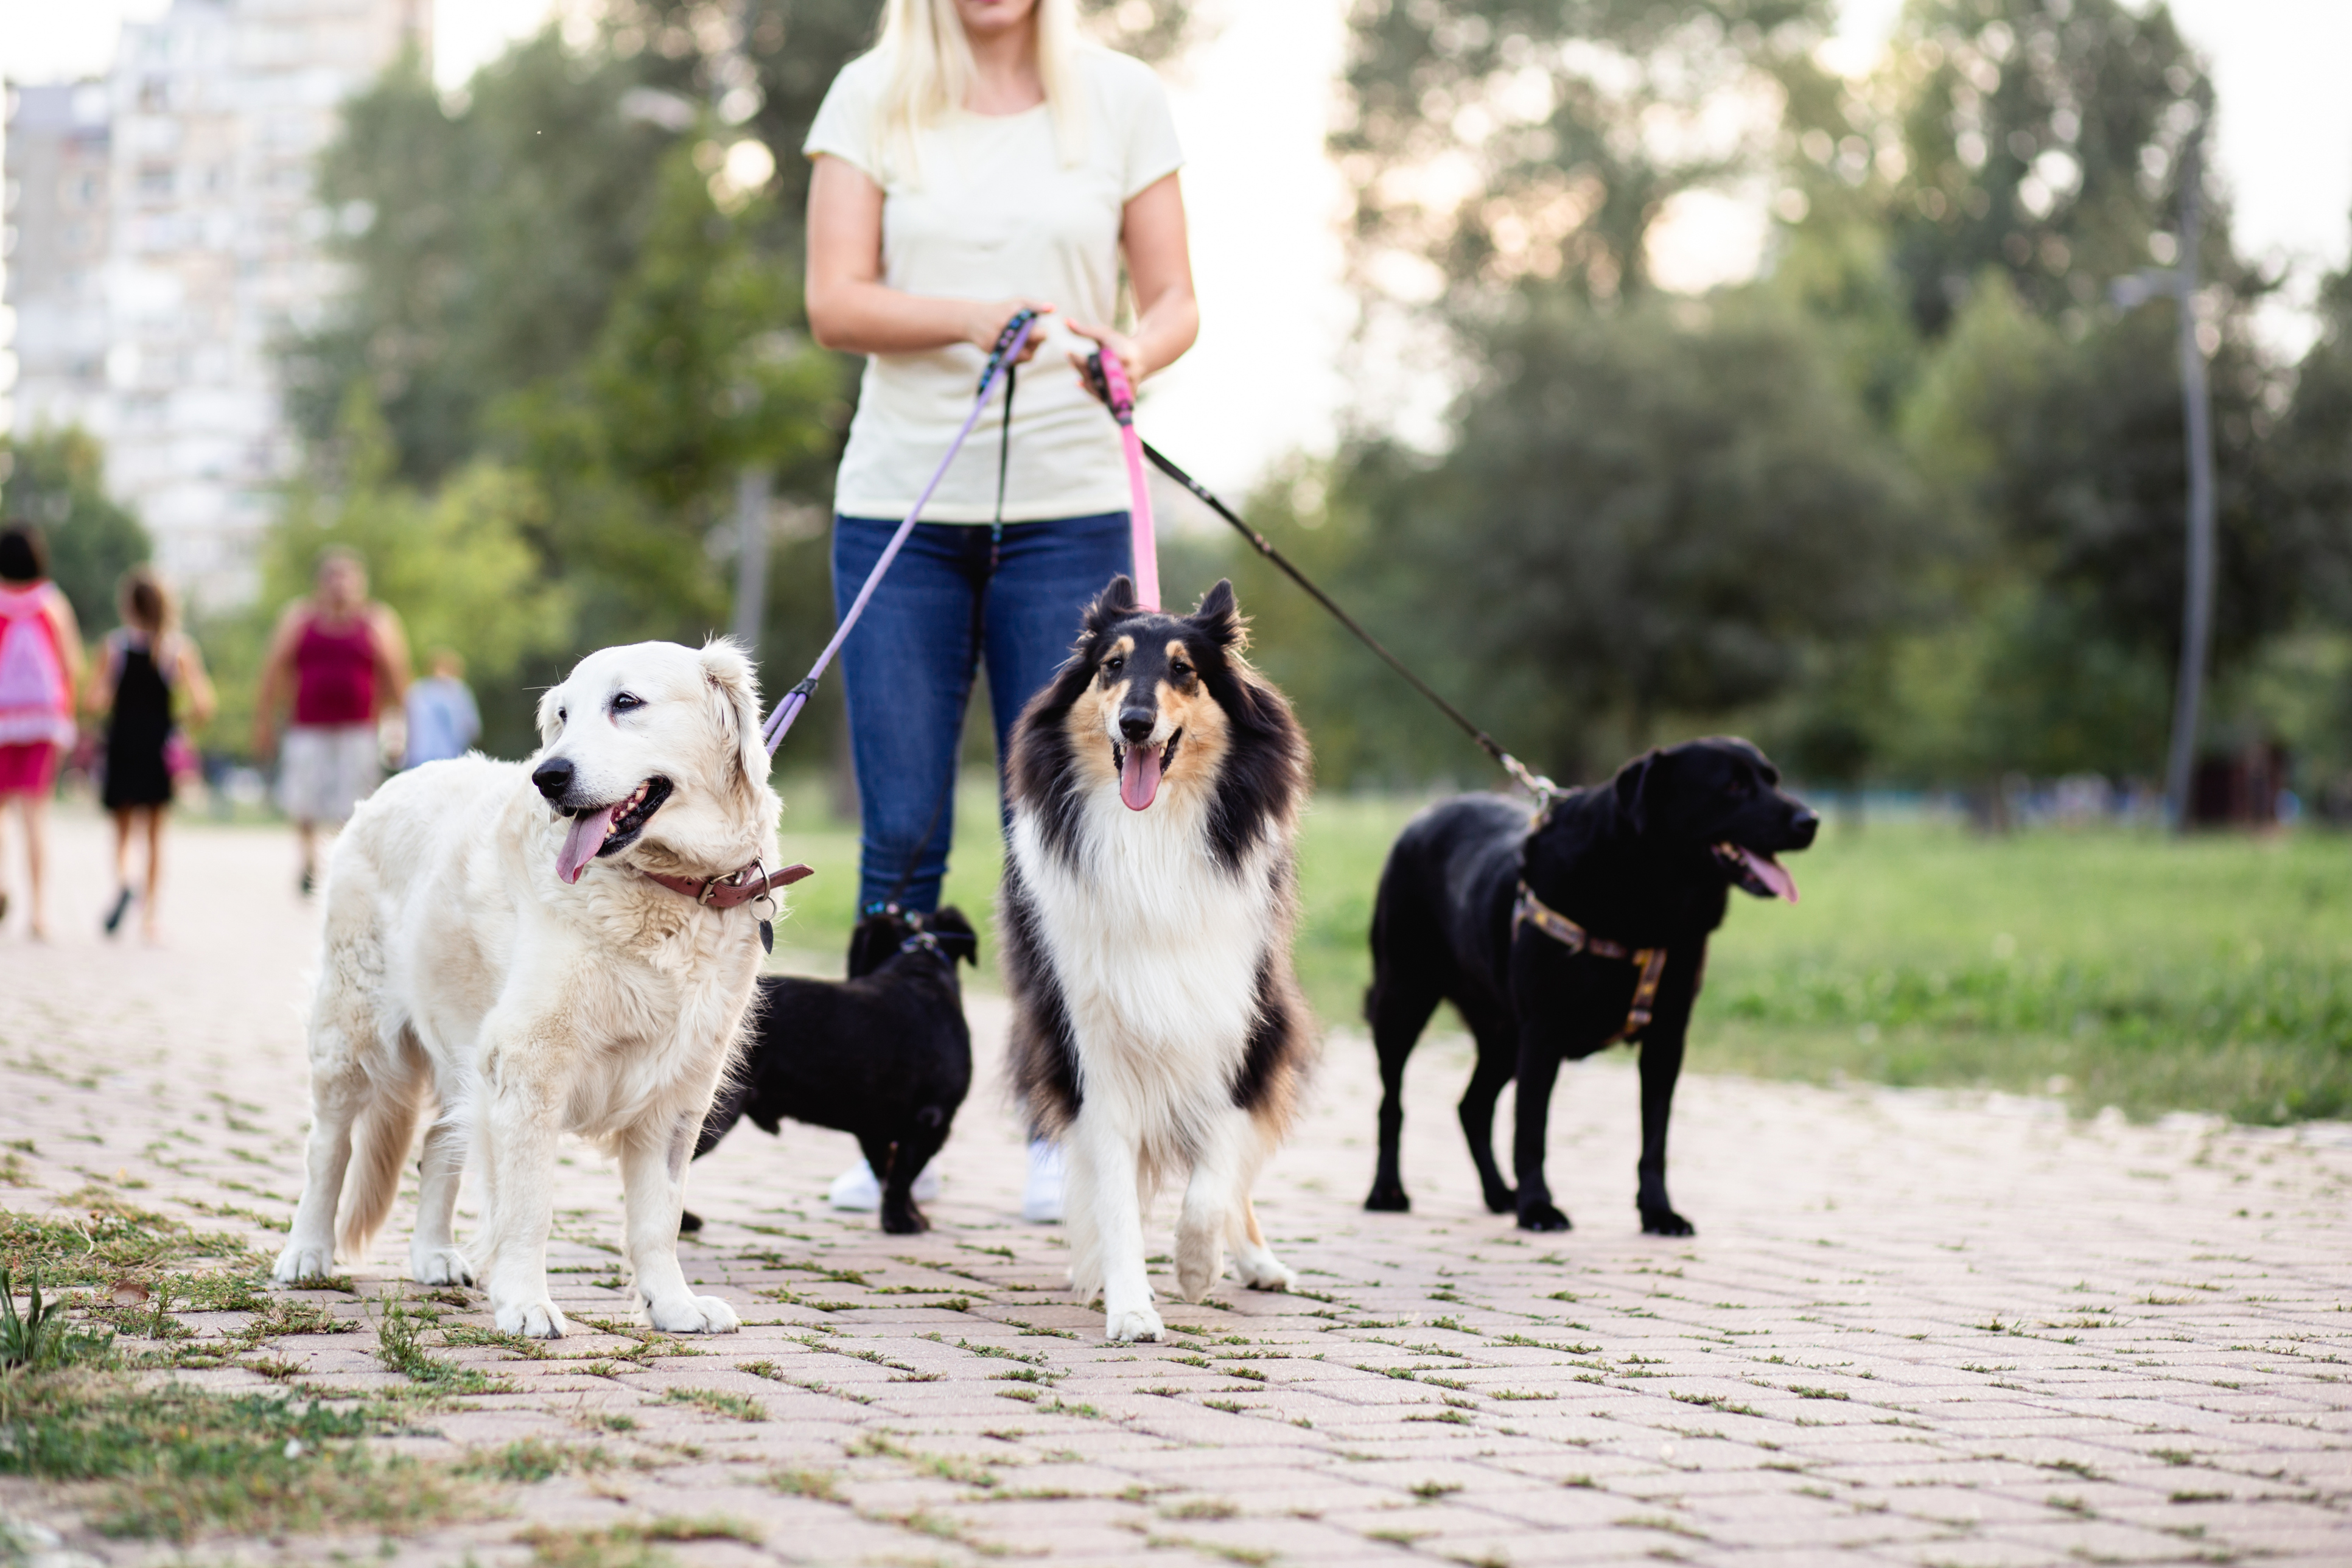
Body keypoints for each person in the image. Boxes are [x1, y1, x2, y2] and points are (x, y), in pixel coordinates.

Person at [803, 0, 1199, 1220]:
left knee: (1065, 830)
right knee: (905, 828)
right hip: (903, 511)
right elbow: (837, 301)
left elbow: (1176, 299)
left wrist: (1125, 351)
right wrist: (976, 318)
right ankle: (885, 1129)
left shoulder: (1124, 101)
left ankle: (1059, 1122)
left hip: (1073, 515)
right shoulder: (870, 94)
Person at [253, 548, 409, 894]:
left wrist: (401, 726)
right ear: (321, 584)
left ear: (361, 584)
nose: (340, 586)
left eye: (347, 578)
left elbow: (397, 677)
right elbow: (273, 670)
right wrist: (264, 721)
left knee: (354, 799)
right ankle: (308, 859)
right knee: (303, 798)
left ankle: (343, 860)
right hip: (307, 726)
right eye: (333, 578)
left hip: (359, 728)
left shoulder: (377, 621)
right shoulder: (299, 619)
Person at [91, 566, 217, 943]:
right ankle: (149, 918)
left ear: (127, 605)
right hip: (158, 747)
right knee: (156, 835)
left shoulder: (114, 648)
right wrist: (178, 721)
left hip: (123, 744)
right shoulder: (177, 651)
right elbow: (204, 705)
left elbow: (94, 700)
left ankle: (124, 881)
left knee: (123, 828)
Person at [0, 522, 84, 940]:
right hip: (42, 721)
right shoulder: (51, 603)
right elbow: (72, 664)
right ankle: (39, 913)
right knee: (36, 816)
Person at [403, 649, 480, 768]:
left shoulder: (417, 689)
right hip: (451, 757)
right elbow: (473, 729)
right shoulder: (459, 691)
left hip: (418, 757)